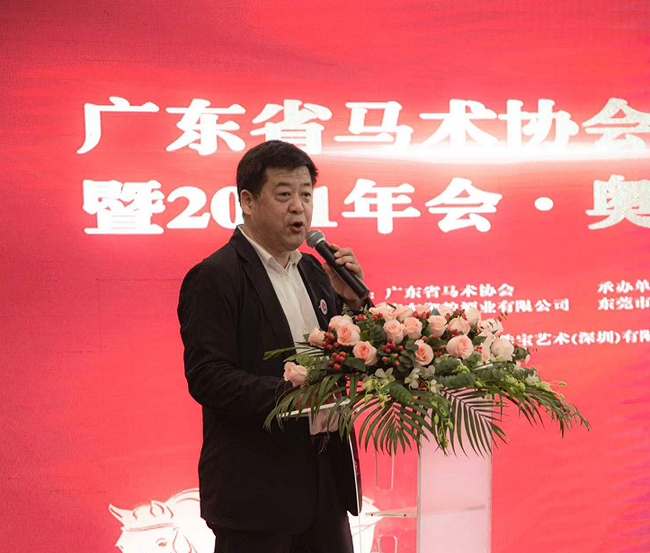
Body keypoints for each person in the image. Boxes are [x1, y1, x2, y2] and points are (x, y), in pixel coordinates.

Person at [177, 140, 368, 553]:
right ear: (247, 201)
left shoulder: (317, 272)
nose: (299, 207)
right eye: (284, 195)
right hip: (256, 492)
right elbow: (208, 377)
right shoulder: (216, 276)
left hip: (325, 481)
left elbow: (348, 358)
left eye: (306, 195)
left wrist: (355, 305)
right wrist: (296, 396)